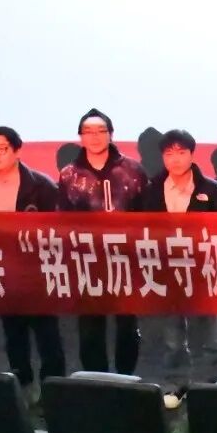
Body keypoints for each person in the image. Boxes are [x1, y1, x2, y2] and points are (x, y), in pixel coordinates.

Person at [0, 126, 64, 402]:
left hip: (37, 273)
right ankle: (23, 386)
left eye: (2, 148)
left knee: (47, 335)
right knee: (13, 333)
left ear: (17, 151)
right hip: (2, 272)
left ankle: (53, 390)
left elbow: (59, 228)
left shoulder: (41, 186)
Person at [139, 129, 217, 408]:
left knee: (213, 333)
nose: (176, 159)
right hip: (168, 271)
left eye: (181, 152)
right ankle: (175, 384)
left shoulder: (212, 190)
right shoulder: (152, 191)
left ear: (192, 154)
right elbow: (142, 230)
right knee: (172, 335)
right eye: (169, 153)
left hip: (204, 271)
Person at [58, 108, 149, 374]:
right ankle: (96, 380)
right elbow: (62, 220)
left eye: (101, 131)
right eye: (88, 131)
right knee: (89, 326)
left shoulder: (132, 170)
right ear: (80, 137)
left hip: (126, 259)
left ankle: (125, 378)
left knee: (127, 326)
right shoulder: (69, 174)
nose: (95, 136)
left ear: (111, 134)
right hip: (87, 261)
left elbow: (147, 215)